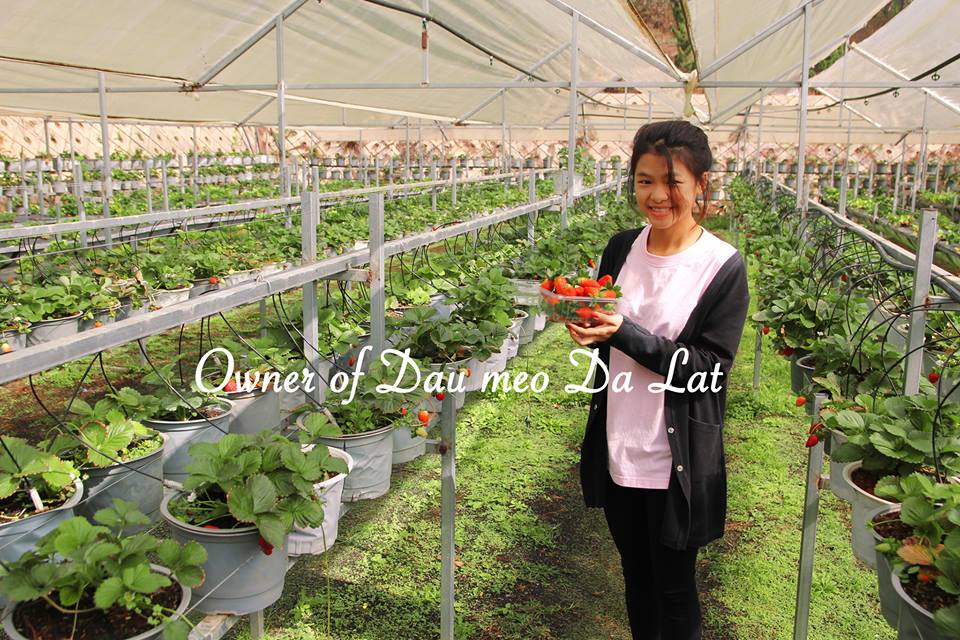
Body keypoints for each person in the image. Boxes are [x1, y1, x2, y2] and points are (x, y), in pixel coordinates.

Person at [566, 120, 749, 640]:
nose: (658, 194)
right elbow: (607, 323)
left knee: (674, 589)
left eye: (672, 182)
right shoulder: (621, 247)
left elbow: (709, 370)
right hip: (619, 443)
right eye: (645, 180)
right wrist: (590, 331)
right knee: (636, 580)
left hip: (676, 459)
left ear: (701, 184)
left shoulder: (721, 266)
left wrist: (623, 333)